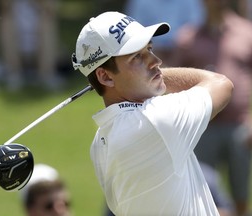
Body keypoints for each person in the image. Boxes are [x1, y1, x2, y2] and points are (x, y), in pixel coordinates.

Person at [71, 11, 233, 215]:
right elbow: (221, 84)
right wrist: (156, 76)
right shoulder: (156, 120)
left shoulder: (100, 140)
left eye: (149, 48)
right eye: (137, 57)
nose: (156, 61)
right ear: (105, 76)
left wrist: (138, 76)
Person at [170, 0, 252, 215]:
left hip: (240, 127)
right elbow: (171, 83)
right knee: (200, 193)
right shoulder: (188, 38)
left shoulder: (249, 33)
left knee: (241, 195)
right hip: (201, 129)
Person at [0, 0, 61, 91]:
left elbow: (50, 9)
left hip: (39, 49)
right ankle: (14, 73)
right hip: (18, 50)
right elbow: (3, 6)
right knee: (5, 21)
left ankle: (47, 73)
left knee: (47, 21)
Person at [124, 0, 205, 66]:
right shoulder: (139, 2)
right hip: (153, 47)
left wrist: (184, 37)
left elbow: (197, 24)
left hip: (183, 47)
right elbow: (135, 30)